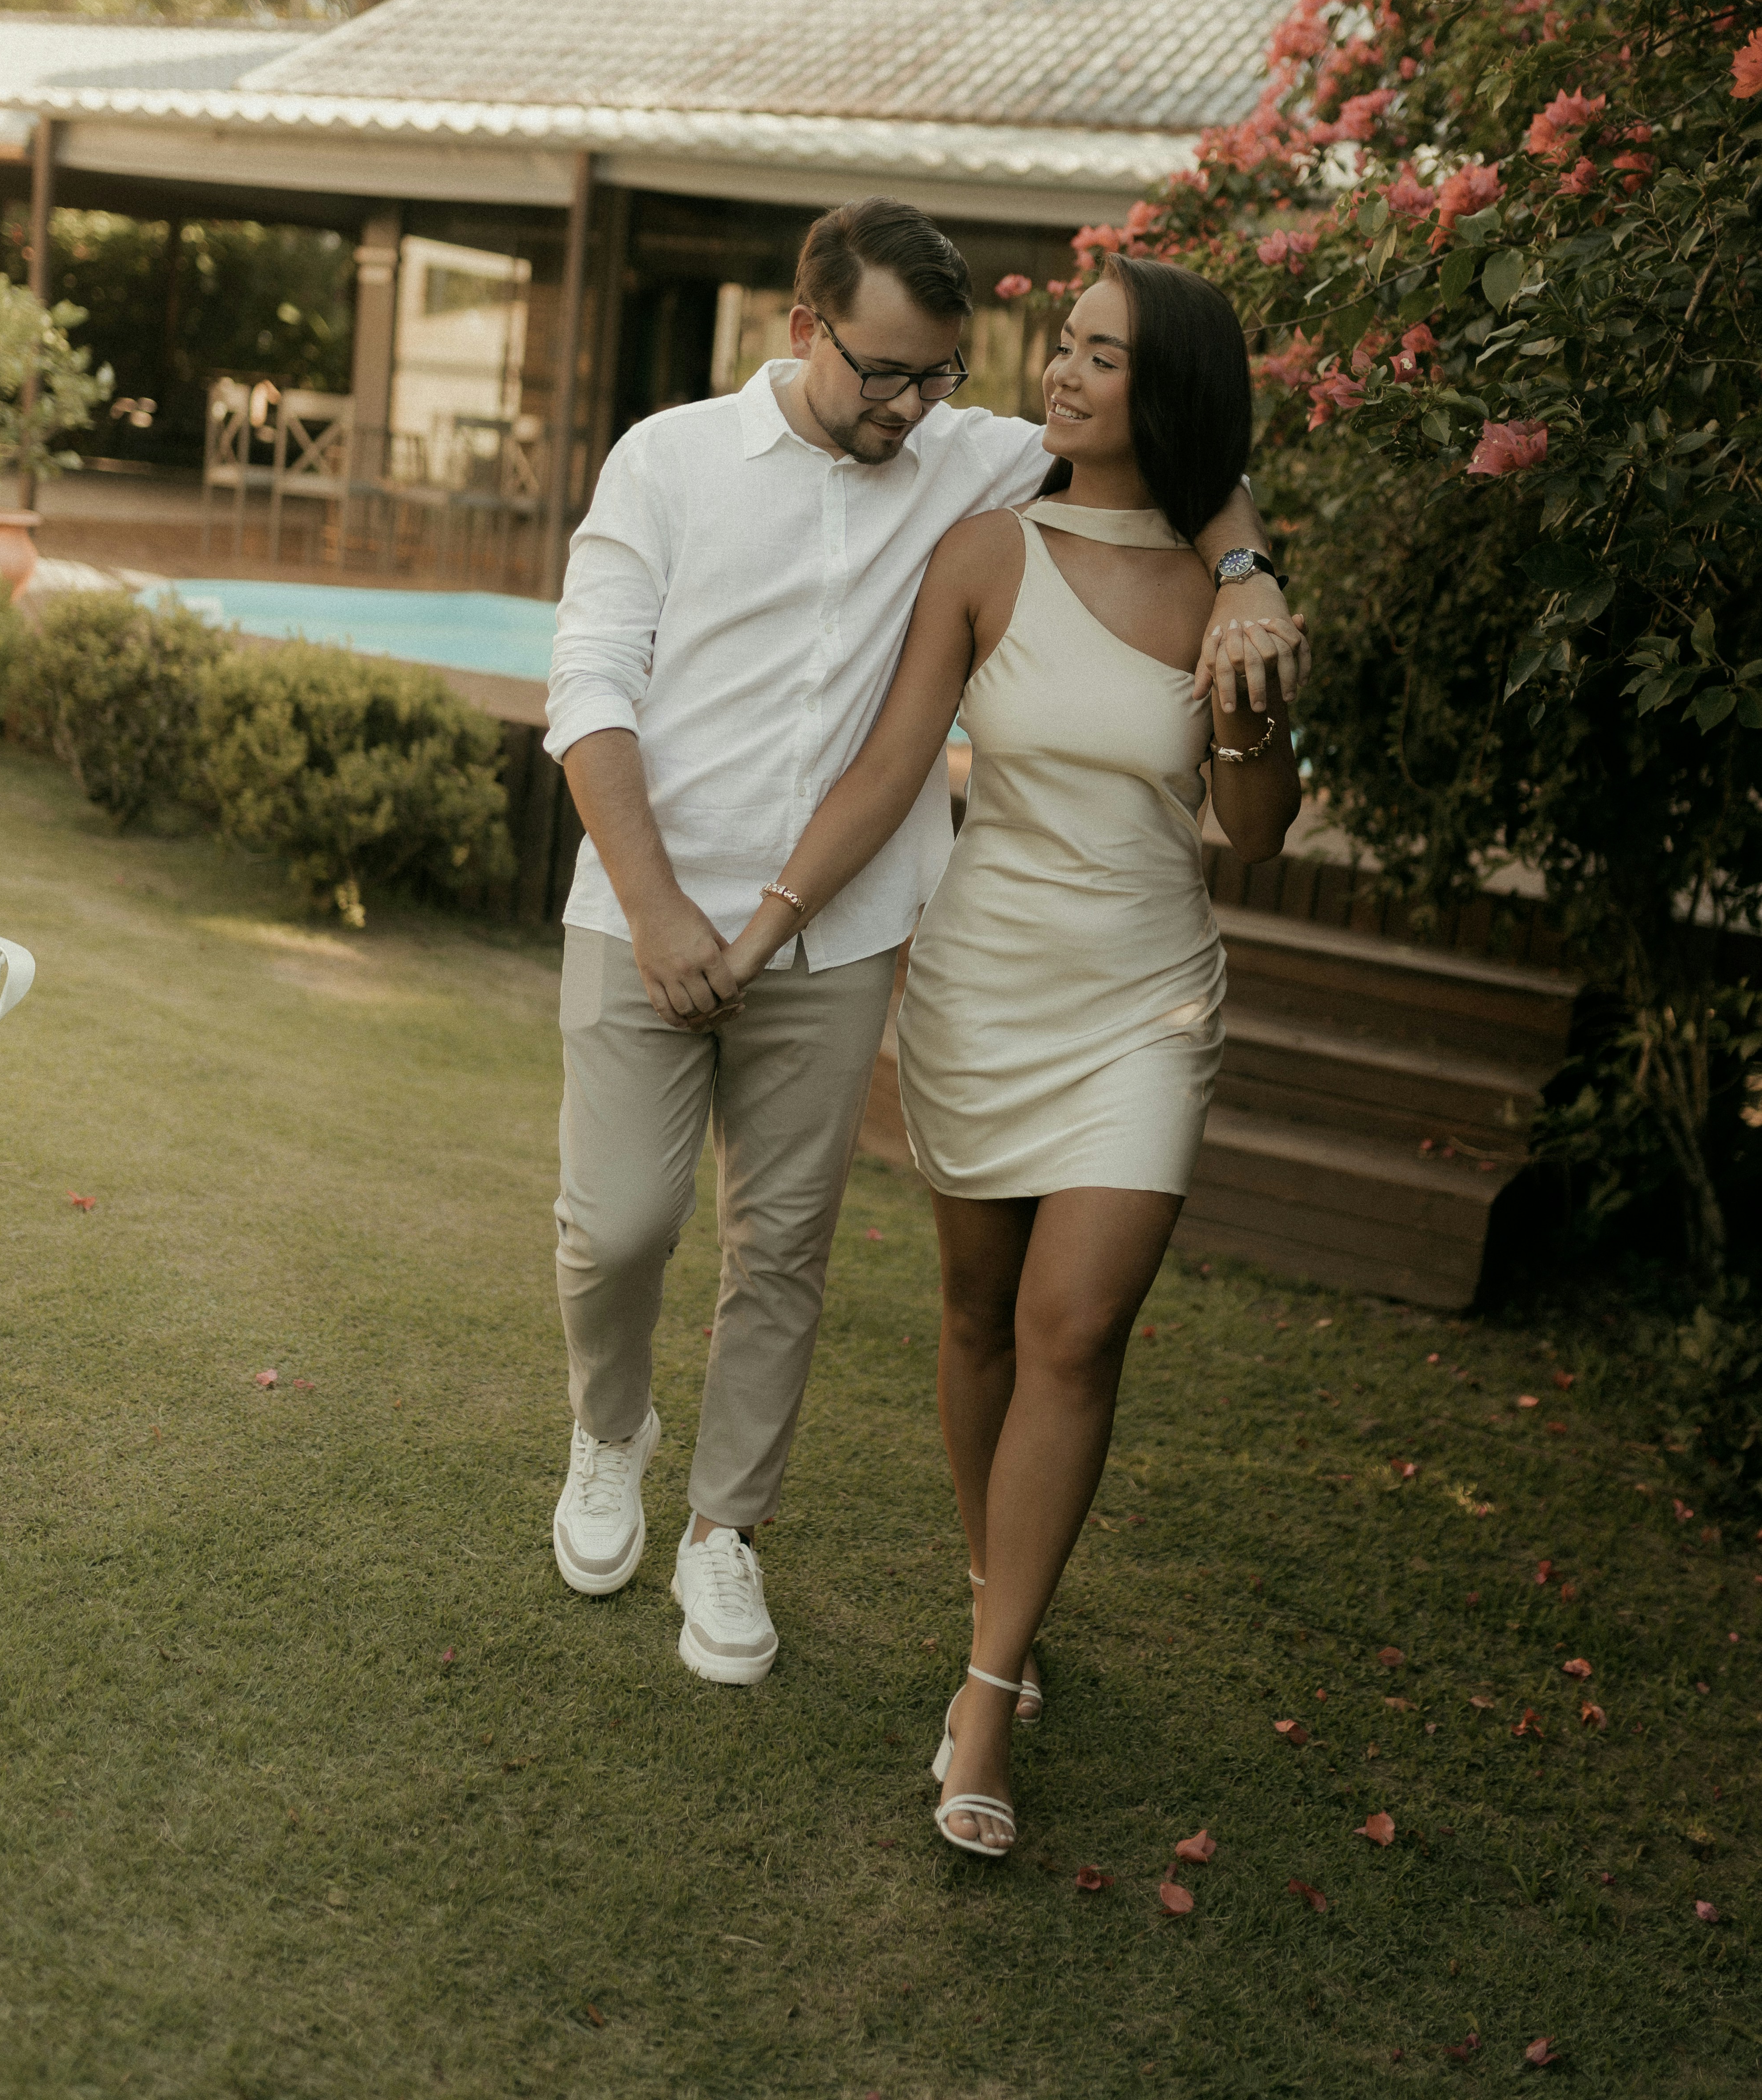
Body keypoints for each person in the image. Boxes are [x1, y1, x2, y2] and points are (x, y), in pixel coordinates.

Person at [544, 200, 1307, 1691]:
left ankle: (724, 1529)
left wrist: (1249, 571)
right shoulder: (670, 459)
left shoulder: (970, 457)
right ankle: (606, 1427)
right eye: (880, 373)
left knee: (784, 1250)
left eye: (939, 376)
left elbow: (1191, 454)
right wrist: (658, 909)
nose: (909, 406)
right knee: (616, 1230)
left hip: (839, 937)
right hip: (643, 909)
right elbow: (588, 689)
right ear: (801, 328)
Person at [719, 253, 1301, 1850]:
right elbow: (896, 763)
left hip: (1145, 1005)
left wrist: (1252, 690)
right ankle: (1007, 1601)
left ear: (1161, 393)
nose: (1061, 374)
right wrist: (765, 930)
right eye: (1065, 347)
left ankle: (983, 1704)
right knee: (979, 1318)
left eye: (1103, 359)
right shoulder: (985, 554)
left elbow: (1250, 833)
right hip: (983, 988)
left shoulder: (1226, 588)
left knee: (1073, 1328)